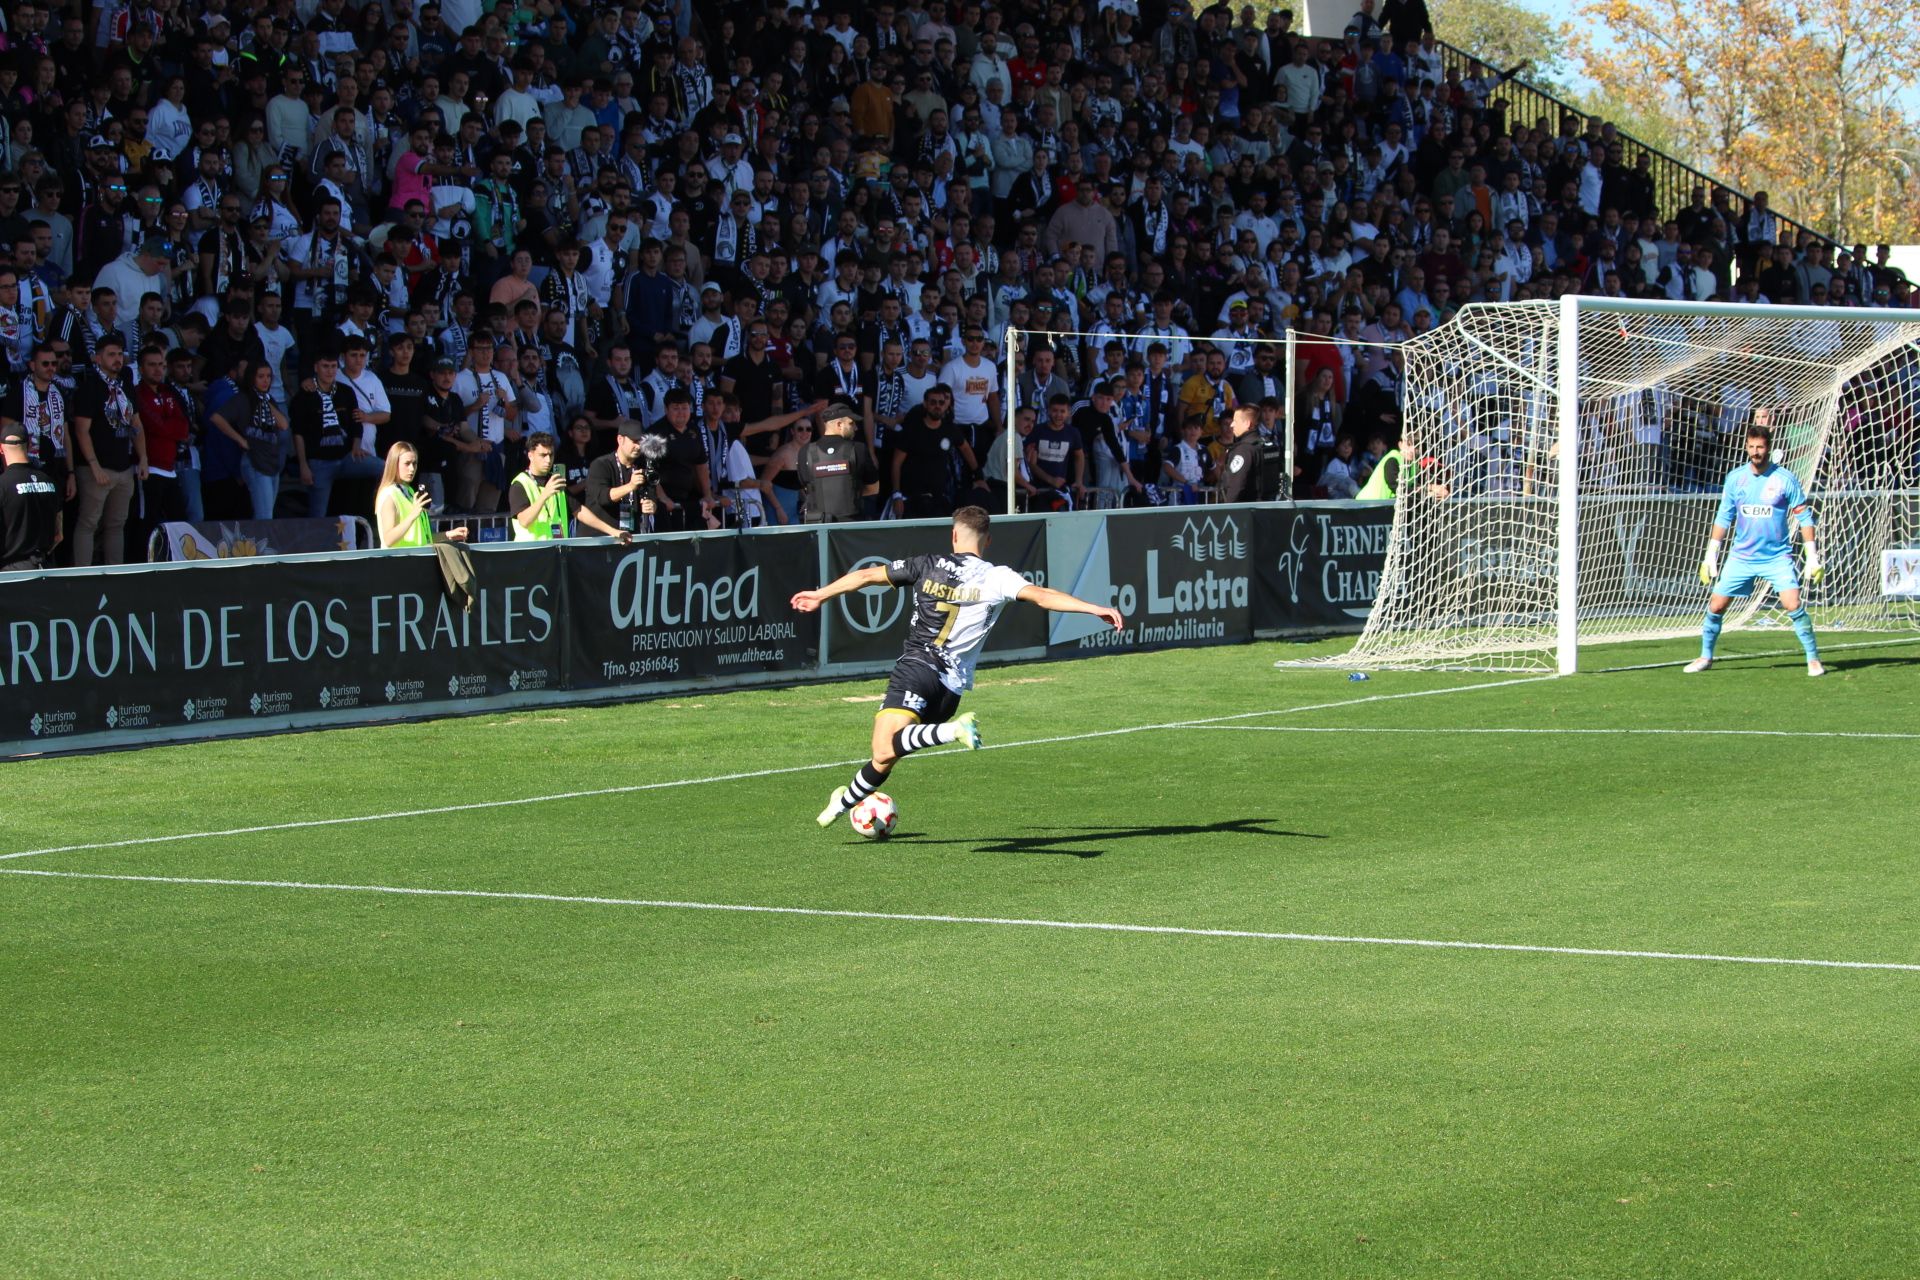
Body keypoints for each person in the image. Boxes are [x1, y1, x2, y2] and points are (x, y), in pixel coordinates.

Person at [791, 506, 1126, 829]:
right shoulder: (997, 576)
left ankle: (953, 732)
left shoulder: (927, 564)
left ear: (953, 535)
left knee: (883, 746)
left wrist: (821, 595)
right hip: (950, 690)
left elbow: (866, 576)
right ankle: (840, 805)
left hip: (918, 667)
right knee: (886, 757)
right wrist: (1091, 607)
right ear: (988, 541)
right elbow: (1041, 596)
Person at [1687, 417, 1824, 676]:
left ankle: (1813, 658)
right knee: (1716, 606)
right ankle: (1705, 656)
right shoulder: (1735, 478)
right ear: (1746, 447)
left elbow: (1804, 517)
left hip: (1777, 557)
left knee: (1793, 605)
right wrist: (1710, 555)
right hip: (1741, 557)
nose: (1755, 452)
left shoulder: (1785, 479)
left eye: (1760, 447)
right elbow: (1723, 517)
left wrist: (1812, 556)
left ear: (1768, 448)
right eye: (1751, 447)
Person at [208, 359, 292, 519]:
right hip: (254, 462)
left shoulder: (268, 399)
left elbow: (283, 425)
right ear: (251, 377)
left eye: (268, 376)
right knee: (264, 515)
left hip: (272, 462)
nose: (265, 380)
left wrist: (266, 400)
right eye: (260, 376)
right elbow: (217, 418)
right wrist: (240, 440)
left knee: (268, 514)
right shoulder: (242, 399)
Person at [374, 440, 468, 548]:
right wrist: (413, 514)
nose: (412, 469)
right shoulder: (389, 494)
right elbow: (388, 540)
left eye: (414, 463)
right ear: (394, 464)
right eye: (407, 464)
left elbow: (422, 539)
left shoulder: (409, 491)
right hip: (398, 561)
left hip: (416, 558)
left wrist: (448, 535)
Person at [799, 402, 878, 522]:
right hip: (850, 526)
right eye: (851, 423)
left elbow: (806, 487)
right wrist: (850, 492)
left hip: (818, 526)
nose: (856, 428)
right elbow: (873, 488)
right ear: (839, 424)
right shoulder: (858, 449)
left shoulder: (805, 451)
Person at [0, 427, 62, 571]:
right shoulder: (49, 482)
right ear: (28, 446)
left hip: (12, 573)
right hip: (46, 569)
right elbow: (59, 535)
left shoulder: (2, 486)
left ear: (1, 449)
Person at [507, 431, 571, 540]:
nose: (548, 460)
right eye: (543, 455)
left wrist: (609, 530)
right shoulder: (520, 483)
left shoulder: (555, 479)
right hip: (530, 552)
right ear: (530, 455)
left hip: (556, 549)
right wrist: (545, 495)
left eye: (551, 455)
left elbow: (579, 510)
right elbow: (524, 521)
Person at [1215, 405, 1267, 503]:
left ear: (1247, 424)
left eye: (1235, 421)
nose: (1232, 425)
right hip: (1269, 505)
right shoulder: (1266, 444)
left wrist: (1227, 509)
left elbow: (1236, 485)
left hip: (1248, 510)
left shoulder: (1244, 449)